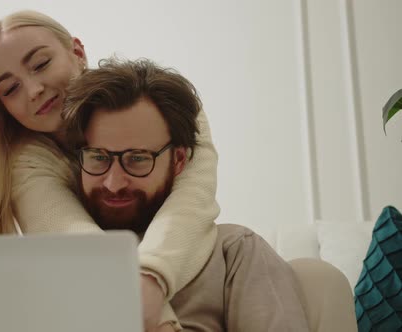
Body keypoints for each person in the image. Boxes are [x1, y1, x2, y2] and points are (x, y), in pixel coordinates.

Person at [0, 10, 219, 331]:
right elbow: (82, 248)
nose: (34, 90)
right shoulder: (25, 162)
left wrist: (151, 277)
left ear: (77, 52)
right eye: (10, 89)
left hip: (169, 276)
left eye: (40, 65)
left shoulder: (163, 105)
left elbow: (191, 203)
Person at [62, 58, 357, 332]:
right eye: (98, 157)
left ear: (179, 161)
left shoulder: (234, 250)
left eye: (137, 159)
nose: (113, 183)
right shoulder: (51, 258)